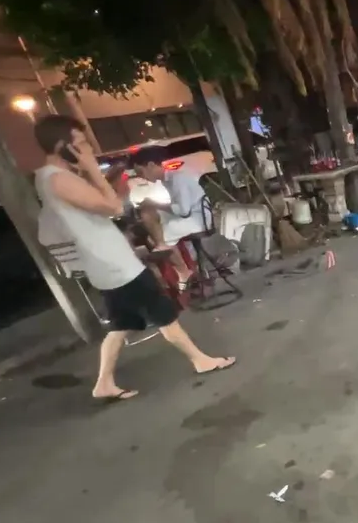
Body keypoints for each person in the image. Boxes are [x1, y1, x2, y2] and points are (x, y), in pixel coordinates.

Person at [32, 115, 235, 402]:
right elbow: (114, 207)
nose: (88, 149)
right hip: (114, 262)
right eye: (81, 144)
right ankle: (200, 359)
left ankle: (104, 382)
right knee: (162, 311)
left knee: (120, 324)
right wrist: (92, 170)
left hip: (104, 261)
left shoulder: (50, 177)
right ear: (62, 146)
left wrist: (96, 175)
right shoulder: (58, 179)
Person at [130, 146, 211, 284]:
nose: (141, 177)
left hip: (198, 219)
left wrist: (156, 204)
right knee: (148, 214)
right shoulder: (168, 180)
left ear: (150, 165)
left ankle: (184, 271)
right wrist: (152, 206)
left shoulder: (178, 179)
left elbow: (183, 211)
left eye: (140, 172)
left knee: (156, 238)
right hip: (190, 216)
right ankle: (167, 250)